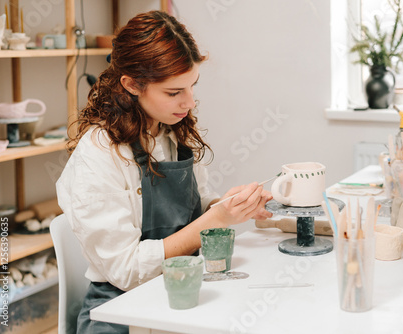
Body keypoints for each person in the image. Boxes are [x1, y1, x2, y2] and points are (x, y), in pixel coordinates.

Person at [56, 10, 272, 333]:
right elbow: (127, 270)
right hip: (120, 311)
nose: (189, 102)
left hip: (178, 293)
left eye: (192, 87)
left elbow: (195, 213)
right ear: (131, 84)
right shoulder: (99, 153)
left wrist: (225, 209)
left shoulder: (173, 132)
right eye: (174, 92)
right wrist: (212, 222)